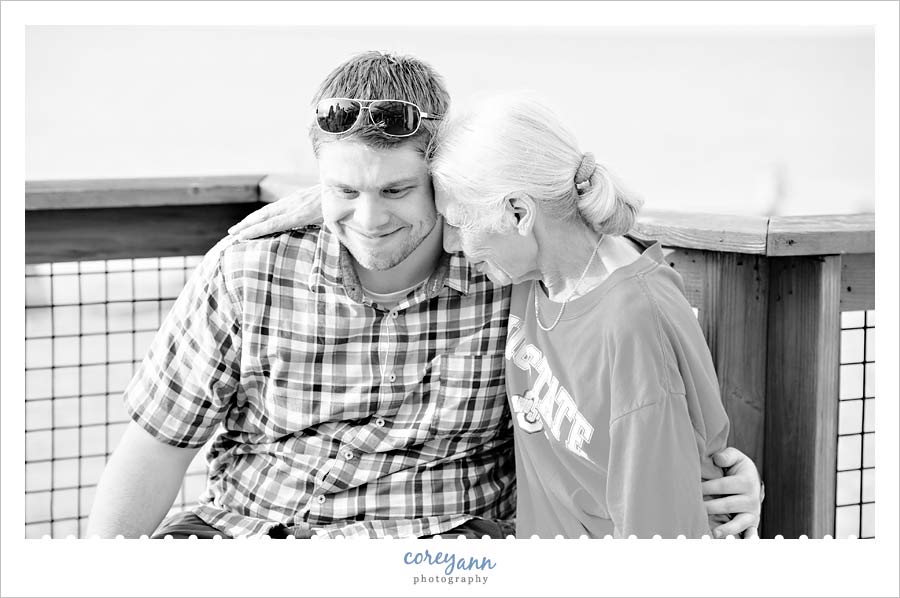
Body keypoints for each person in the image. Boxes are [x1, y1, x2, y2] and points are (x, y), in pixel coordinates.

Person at [88, 51, 761, 539]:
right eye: (344, 191)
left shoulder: (505, 274)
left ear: (445, 180)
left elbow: (617, 350)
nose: (370, 221)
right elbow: (154, 448)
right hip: (256, 534)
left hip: (440, 548)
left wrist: (724, 479)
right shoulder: (247, 271)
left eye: (398, 191)